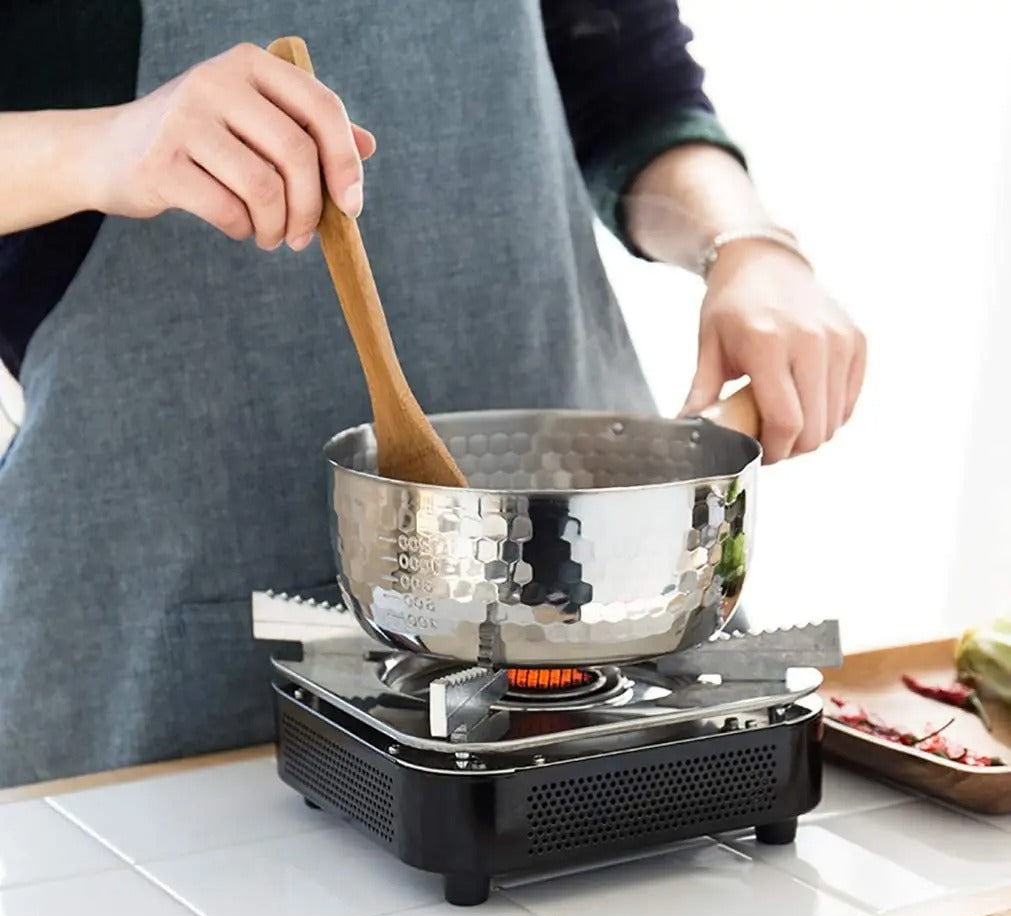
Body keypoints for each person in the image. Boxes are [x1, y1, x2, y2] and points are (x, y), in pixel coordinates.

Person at [0, 1, 865, 787]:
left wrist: (745, 241)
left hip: (597, 604)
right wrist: (96, 146)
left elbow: (626, 81)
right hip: (152, 631)